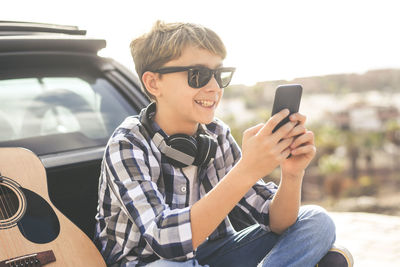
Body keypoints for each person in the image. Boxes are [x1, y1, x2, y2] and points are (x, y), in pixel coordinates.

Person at [94, 21, 353, 267]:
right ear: (153, 83)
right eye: (198, 75)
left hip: (215, 253)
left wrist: (293, 174)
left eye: (220, 74)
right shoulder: (127, 143)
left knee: (317, 221)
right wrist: (247, 169)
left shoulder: (217, 134)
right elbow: (166, 241)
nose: (215, 87)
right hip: (149, 262)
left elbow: (278, 223)